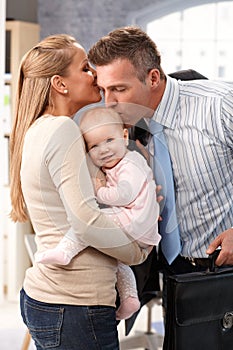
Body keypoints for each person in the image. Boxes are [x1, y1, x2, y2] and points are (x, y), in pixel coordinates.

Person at [9, 34, 150, 350]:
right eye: (86, 68)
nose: (97, 76)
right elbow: (86, 219)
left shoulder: (38, 129)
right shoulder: (63, 130)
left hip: (52, 299)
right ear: (60, 84)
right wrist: (137, 250)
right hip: (75, 303)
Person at [88, 26, 233, 287]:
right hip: (174, 275)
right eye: (103, 90)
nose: (108, 102)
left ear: (153, 78)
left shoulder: (220, 104)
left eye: (119, 89)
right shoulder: (124, 127)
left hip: (225, 269)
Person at [35, 106, 161, 321]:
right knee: (117, 260)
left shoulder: (131, 163)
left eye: (109, 141)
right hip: (137, 225)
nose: (103, 150)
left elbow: (125, 194)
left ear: (124, 136)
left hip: (133, 219)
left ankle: (65, 251)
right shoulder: (118, 163)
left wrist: (98, 192)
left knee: (90, 223)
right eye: (94, 146)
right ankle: (130, 298)